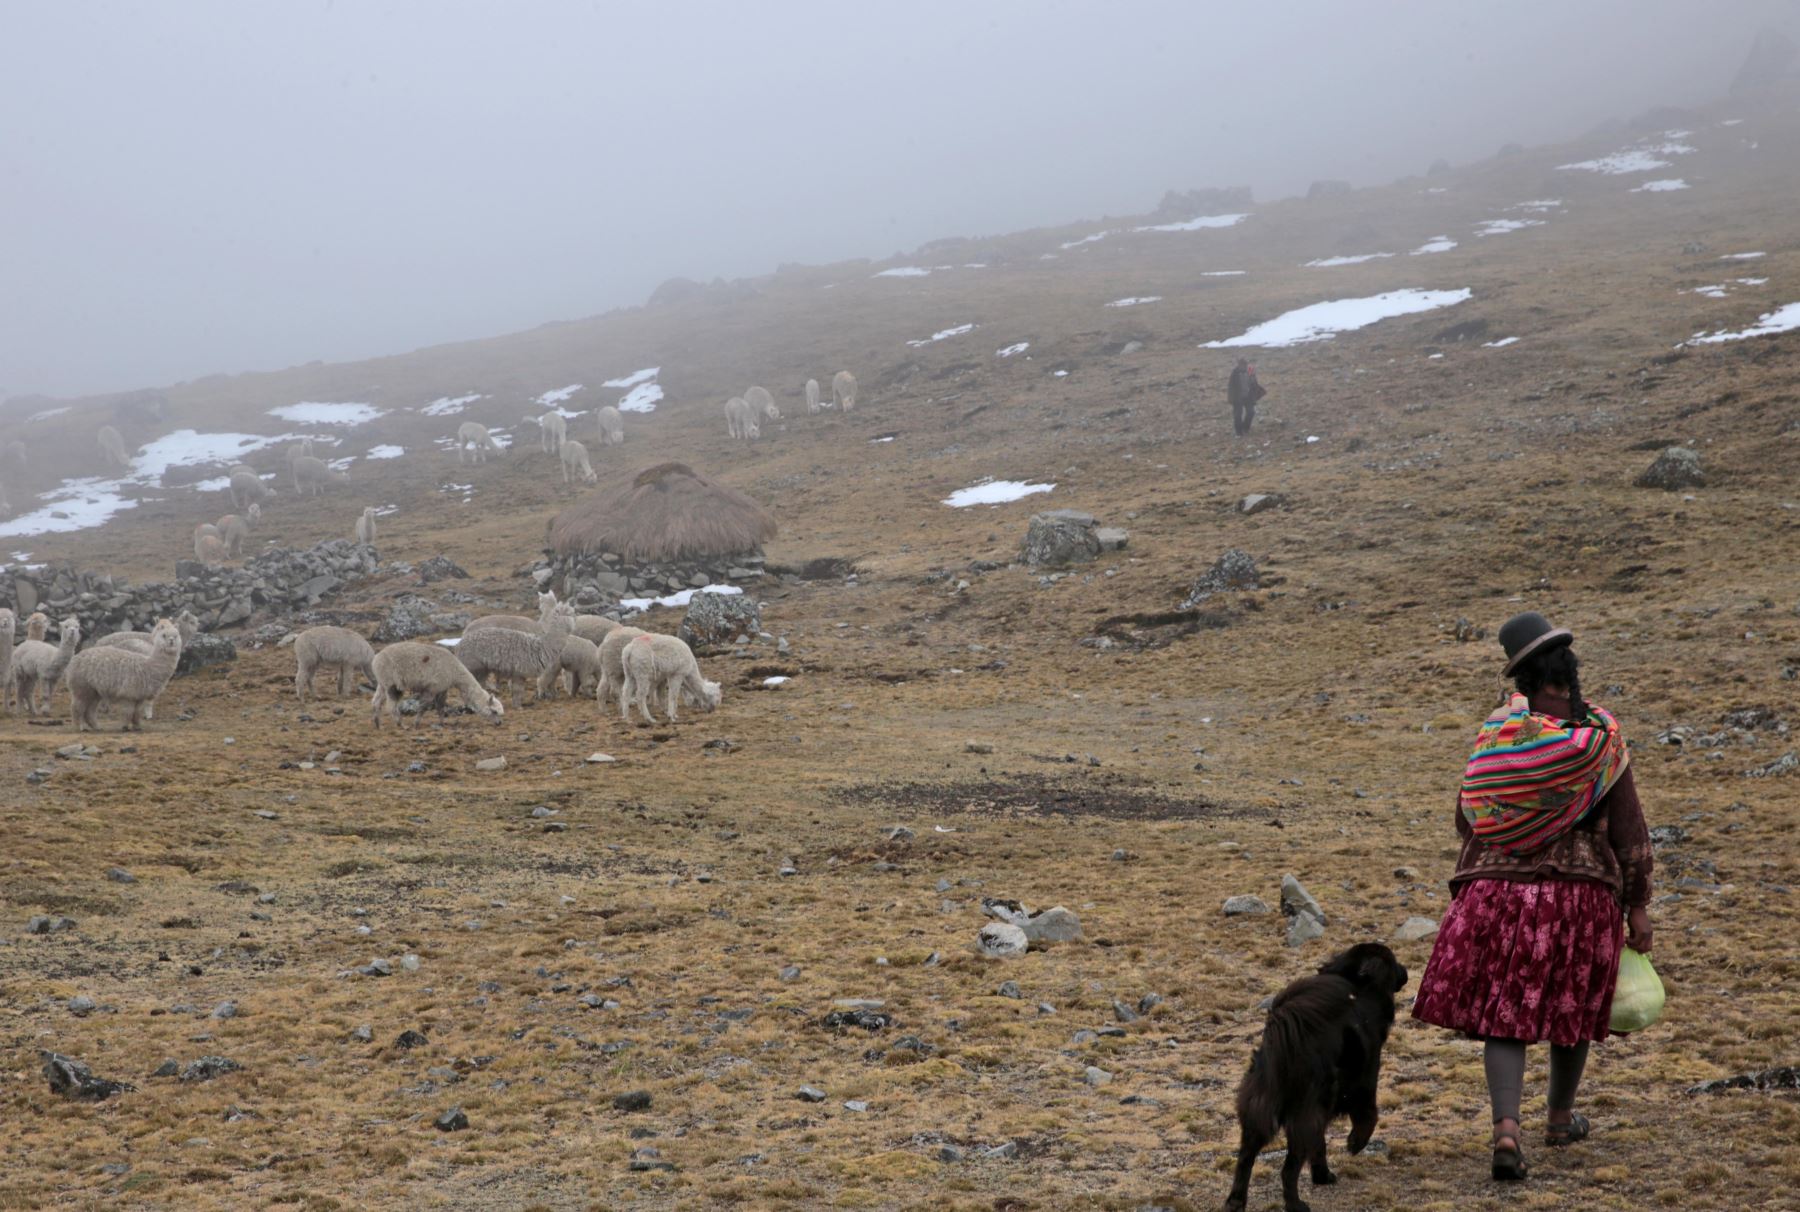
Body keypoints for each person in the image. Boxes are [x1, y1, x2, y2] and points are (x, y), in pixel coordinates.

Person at [1411, 612, 1654, 1183]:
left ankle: (1506, 1131)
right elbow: (1630, 829)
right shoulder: (1600, 742)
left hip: (1494, 893)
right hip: (1577, 897)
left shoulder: (1497, 737)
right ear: (1569, 674)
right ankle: (1560, 1118)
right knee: (1572, 1006)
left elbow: (1466, 815)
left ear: (1521, 681)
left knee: (1506, 1016)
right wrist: (1638, 903)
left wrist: (1514, 830)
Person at [1227, 357, 1265, 436]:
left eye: (1245, 364)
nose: (1243, 366)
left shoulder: (1250, 372)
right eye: (1242, 365)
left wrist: (1255, 395)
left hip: (1248, 397)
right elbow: (1231, 387)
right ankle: (1239, 432)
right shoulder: (1235, 373)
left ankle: (1245, 428)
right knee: (1237, 415)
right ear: (1239, 365)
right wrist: (1232, 399)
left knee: (1251, 412)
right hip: (1237, 398)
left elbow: (1254, 384)